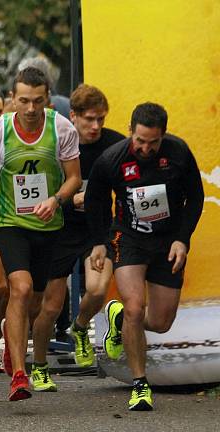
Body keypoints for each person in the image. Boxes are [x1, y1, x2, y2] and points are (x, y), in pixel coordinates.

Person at [85, 102, 203, 411]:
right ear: (130, 131)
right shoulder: (112, 160)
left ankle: (118, 318)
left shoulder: (177, 152)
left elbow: (196, 197)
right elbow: (96, 201)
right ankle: (140, 384)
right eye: (140, 140)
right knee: (136, 307)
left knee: (161, 322)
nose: (145, 148)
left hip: (168, 241)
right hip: (130, 237)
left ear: (163, 135)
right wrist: (99, 242)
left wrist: (182, 239)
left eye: (153, 142)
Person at [0, 67, 81, 402]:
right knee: (18, 289)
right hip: (10, 222)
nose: (31, 108)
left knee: (34, 302)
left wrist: (57, 199)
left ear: (47, 98)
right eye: (24, 100)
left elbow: (74, 177)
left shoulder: (61, 128)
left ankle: (13, 335)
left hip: (48, 225)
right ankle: (19, 375)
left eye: (37, 101)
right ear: (12, 99)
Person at [28, 84, 125, 392]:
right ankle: (40, 365)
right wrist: (70, 199)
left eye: (101, 119)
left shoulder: (115, 145)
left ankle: (80, 327)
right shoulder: (56, 144)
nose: (96, 126)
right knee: (51, 305)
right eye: (89, 120)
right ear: (73, 116)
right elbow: (37, 190)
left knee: (97, 290)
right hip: (59, 228)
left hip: (98, 229)